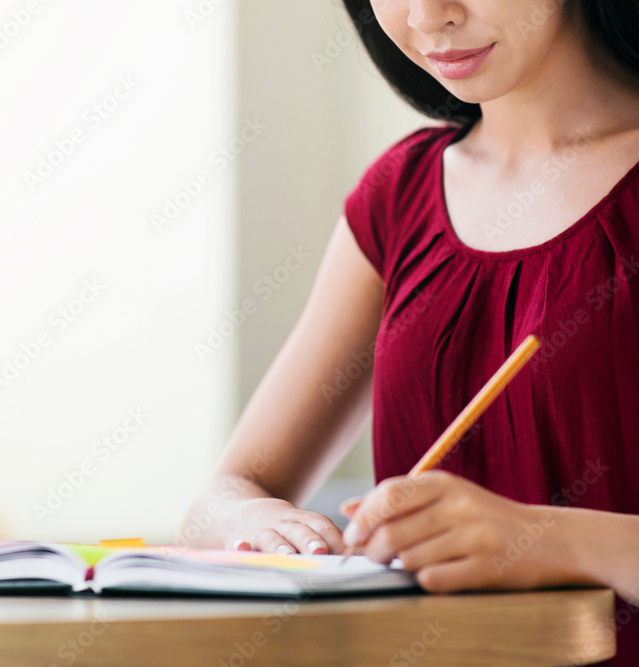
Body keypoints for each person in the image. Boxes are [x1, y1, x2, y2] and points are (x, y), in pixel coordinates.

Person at [181, 0, 639, 663]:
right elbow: (223, 496)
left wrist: (544, 539)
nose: (428, 15)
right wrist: (254, 524)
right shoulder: (398, 197)